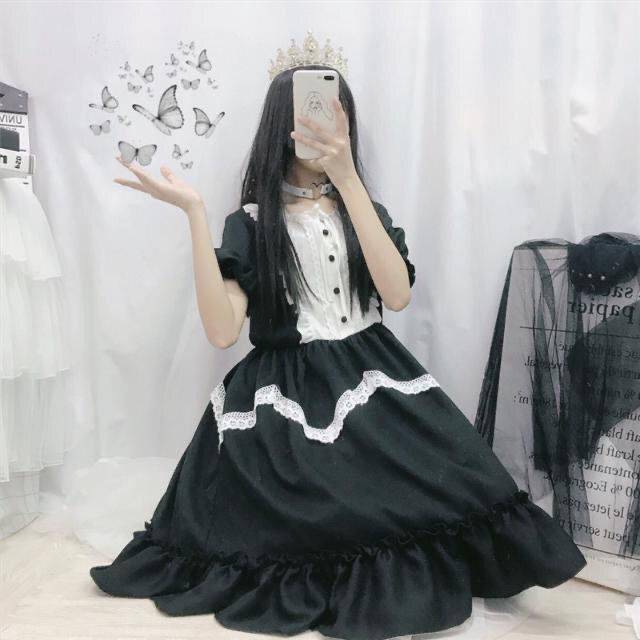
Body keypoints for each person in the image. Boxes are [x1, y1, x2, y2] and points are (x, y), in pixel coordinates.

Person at [89, 61, 587, 640]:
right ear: (280, 126)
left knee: (452, 485)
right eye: (305, 114)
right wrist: (195, 216)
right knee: (327, 512)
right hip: (284, 397)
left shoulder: (363, 211)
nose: (319, 126)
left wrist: (348, 181)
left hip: (375, 376)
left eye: (332, 113)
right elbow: (223, 332)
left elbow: (396, 295)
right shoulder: (252, 223)